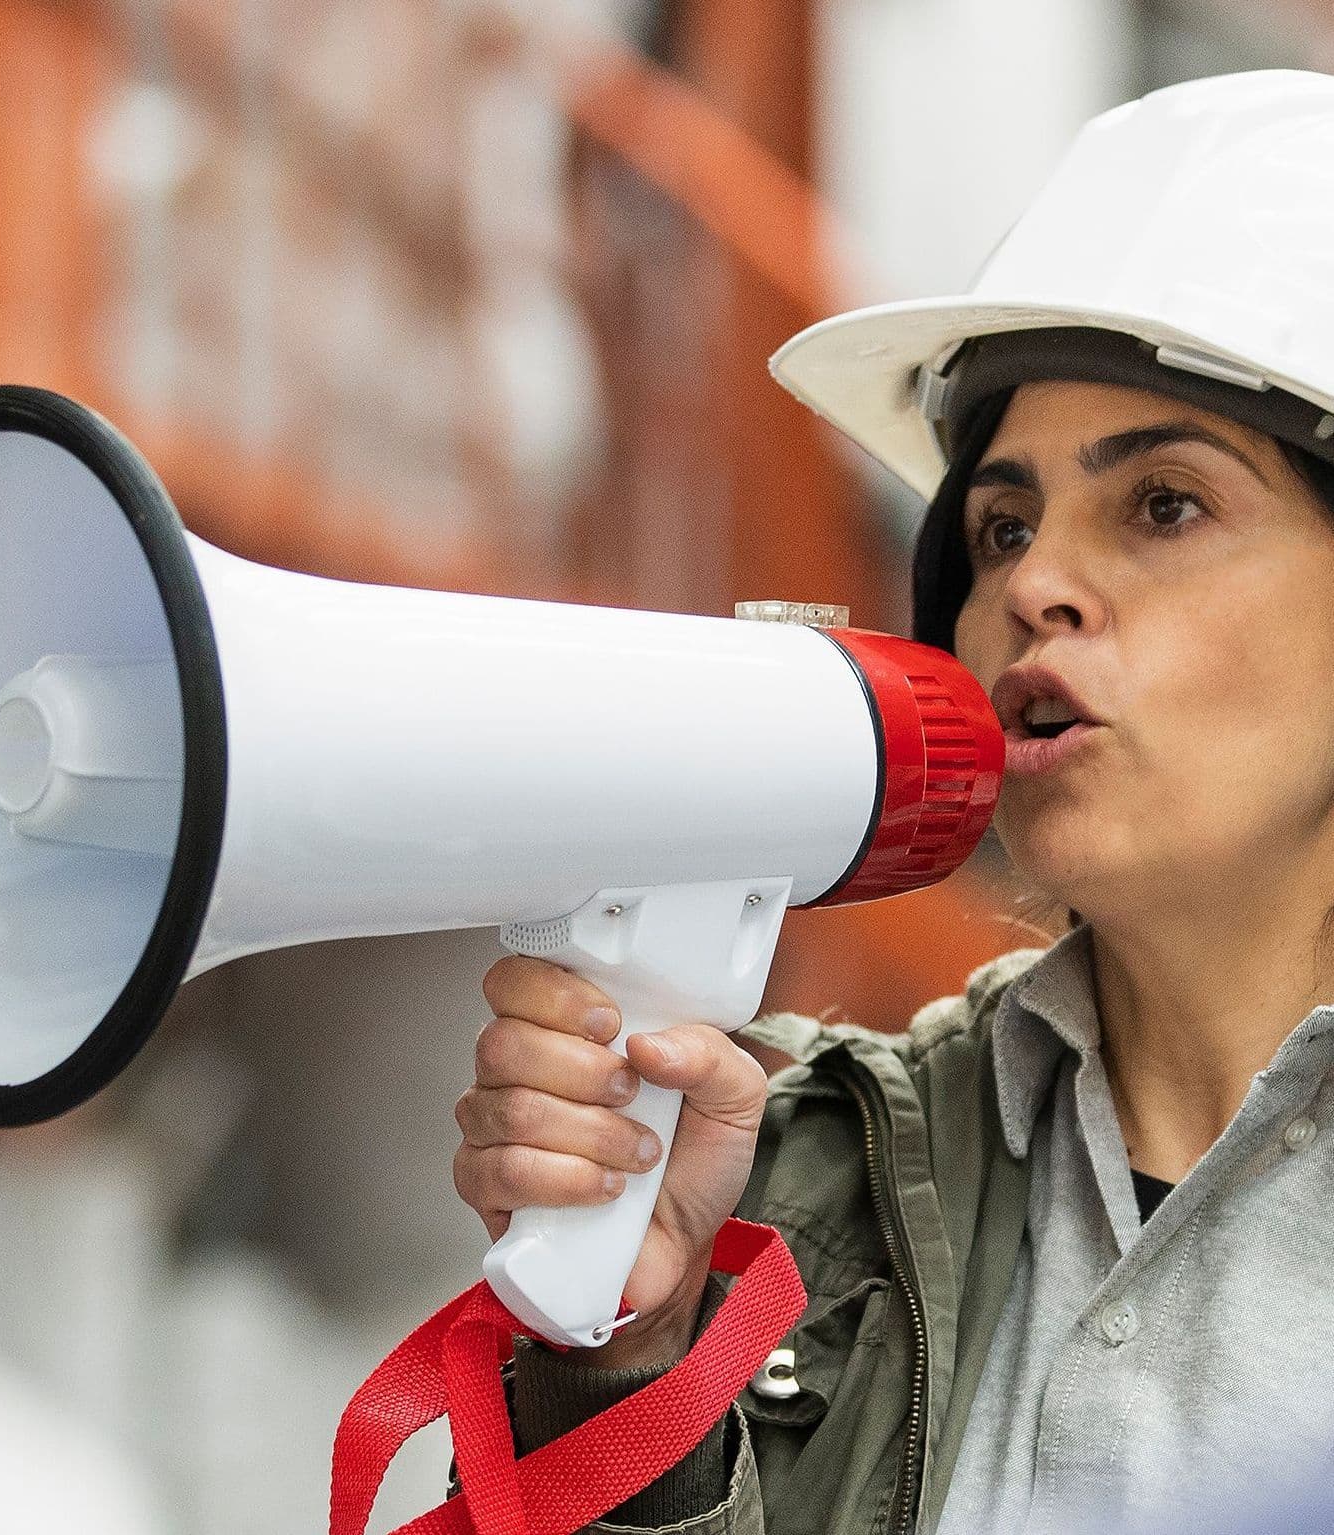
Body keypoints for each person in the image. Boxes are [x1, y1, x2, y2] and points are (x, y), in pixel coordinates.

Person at [451, 69, 1334, 1535]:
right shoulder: (792, 1179)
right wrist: (631, 1372)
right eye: (999, 527)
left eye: (1164, 503)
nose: (1029, 586)